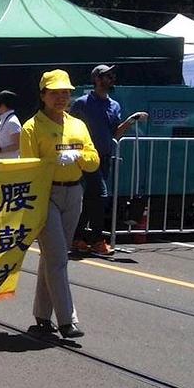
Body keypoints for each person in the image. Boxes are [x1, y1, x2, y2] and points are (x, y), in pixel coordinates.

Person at [21, 70, 99, 339]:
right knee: (58, 258)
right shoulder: (32, 127)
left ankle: (42, 316)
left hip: (74, 192)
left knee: (53, 257)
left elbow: (93, 159)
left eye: (65, 93)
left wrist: (78, 156)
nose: (61, 98)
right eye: (55, 93)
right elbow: (28, 168)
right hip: (46, 195)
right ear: (43, 95)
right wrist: (54, 161)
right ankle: (68, 320)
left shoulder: (77, 125)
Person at [69, 65, 147, 255]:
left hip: (105, 157)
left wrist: (130, 121)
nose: (111, 78)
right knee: (101, 196)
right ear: (96, 79)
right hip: (86, 157)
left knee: (91, 199)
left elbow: (116, 133)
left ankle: (77, 238)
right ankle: (96, 240)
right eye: (107, 75)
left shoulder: (114, 105)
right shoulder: (82, 103)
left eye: (112, 76)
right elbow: (69, 127)